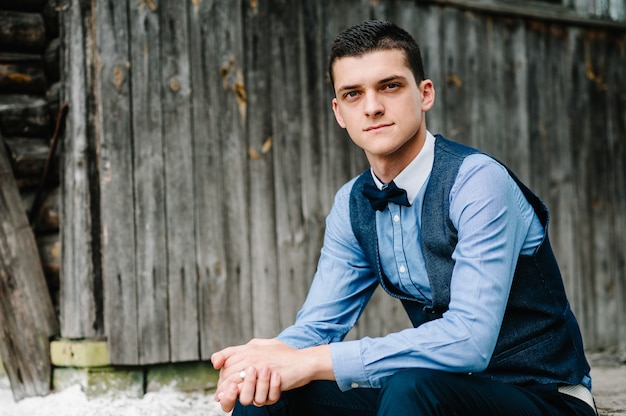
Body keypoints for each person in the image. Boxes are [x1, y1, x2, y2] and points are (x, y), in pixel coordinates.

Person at [211, 20, 596, 415]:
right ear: (339, 112)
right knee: (265, 400)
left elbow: (470, 340)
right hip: (437, 395)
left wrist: (312, 361)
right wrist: (258, 367)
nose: (372, 106)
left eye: (389, 86)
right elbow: (316, 328)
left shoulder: (477, 181)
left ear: (424, 94)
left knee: (409, 388)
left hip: (543, 394)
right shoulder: (352, 203)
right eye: (352, 94)